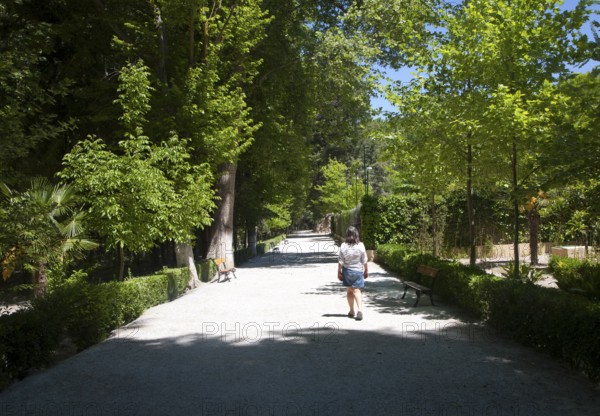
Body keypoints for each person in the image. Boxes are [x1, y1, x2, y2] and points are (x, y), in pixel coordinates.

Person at [337, 226, 368, 321]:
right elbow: (364, 260)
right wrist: (366, 270)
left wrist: (339, 272)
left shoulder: (343, 245)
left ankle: (351, 311)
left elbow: (340, 260)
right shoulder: (361, 245)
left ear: (347, 235)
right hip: (358, 271)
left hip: (347, 271)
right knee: (357, 290)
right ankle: (360, 310)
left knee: (350, 290)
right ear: (356, 234)